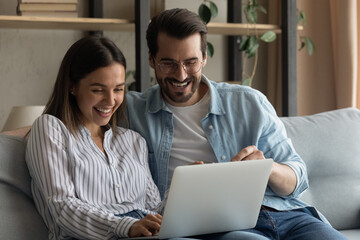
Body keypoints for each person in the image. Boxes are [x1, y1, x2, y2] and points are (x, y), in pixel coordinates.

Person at [125, 8, 347, 240]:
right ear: (151, 59)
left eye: (191, 63)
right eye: (168, 64)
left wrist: (268, 168)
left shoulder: (248, 102)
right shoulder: (131, 110)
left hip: (284, 215)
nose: (181, 75)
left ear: (204, 58)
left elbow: (298, 179)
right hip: (218, 226)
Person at [25, 36, 164, 239]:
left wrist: (187, 189)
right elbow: (62, 206)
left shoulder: (133, 141)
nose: (110, 100)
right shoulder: (51, 129)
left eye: (118, 89)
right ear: (73, 86)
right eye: (98, 90)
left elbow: (153, 210)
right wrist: (124, 226)